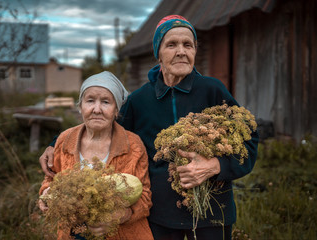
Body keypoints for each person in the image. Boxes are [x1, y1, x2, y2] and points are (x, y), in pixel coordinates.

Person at [40, 15, 259, 240]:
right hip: (160, 216)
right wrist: (55, 143)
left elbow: (249, 141)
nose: (181, 51)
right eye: (171, 45)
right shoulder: (140, 100)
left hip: (213, 212)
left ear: (194, 51)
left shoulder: (213, 90)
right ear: (158, 53)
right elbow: (103, 125)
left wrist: (214, 166)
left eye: (188, 45)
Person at [38, 71, 154, 240]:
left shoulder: (133, 145)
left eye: (106, 102)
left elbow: (145, 199)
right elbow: (50, 179)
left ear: (116, 110)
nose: (97, 109)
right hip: (73, 233)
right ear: (80, 106)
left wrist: (116, 217)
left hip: (121, 234)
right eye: (90, 100)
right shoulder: (64, 140)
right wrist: (46, 195)